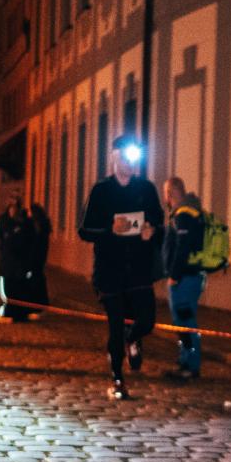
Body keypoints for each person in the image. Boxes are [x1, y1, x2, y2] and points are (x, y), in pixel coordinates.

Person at [77, 135, 164, 400]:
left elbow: (159, 224)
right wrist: (109, 229)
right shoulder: (101, 191)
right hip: (110, 270)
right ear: (113, 157)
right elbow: (84, 230)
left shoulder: (146, 189)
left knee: (146, 320)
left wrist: (151, 231)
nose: (129, 162)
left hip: (139, 270)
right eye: (124, 156)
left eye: (133, 157)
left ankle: (132, 337)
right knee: (115, 326)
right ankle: (117, 378)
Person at [160, 176, 212, 380]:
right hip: (190, 276)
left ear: (171, 193)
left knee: (185, 321)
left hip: (185, 278)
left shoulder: (184, 214)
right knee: (182, 321)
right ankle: (185, 360)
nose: (165, 197)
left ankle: (191, 364)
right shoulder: (191, 211)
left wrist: (174, 275)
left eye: (166, 192)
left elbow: (182, 248)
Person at [0, 197, 36, 323]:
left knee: (20, 289)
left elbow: (30, 242)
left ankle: (20, 313)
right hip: (7, 263)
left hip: (20, 263)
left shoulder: (25, 223)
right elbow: (0, 239)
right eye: (11, 207)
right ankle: (9, 312)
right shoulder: (4, 221)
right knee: (7, 289)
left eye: (15, 207)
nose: (13, 210)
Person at [28, 203, 51, 317]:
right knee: (38, 279)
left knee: (36, 281)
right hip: (38, 256)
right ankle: (39, 304)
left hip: (36, 257)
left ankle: (38, 305)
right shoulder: (43, 225)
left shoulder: (39, 226)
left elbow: (37, 243)